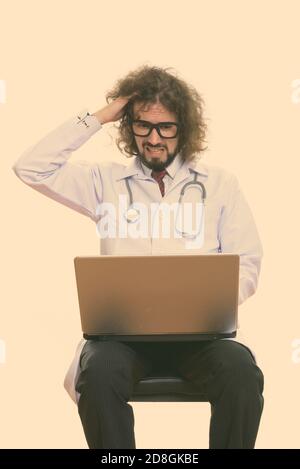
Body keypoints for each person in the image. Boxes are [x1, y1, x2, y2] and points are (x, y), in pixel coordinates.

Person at [12, 65, 264, 449]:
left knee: (242, 376)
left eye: (166, 127)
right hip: (122, 341)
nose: (154, 138)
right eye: (143, 125)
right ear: (129, 126)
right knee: (97, 374)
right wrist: (100, 116)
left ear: (185, 129)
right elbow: (30, 167)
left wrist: (211, 302)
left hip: (200, 337)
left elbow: (247, 261)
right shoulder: (104, 183)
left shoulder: (220, 185)